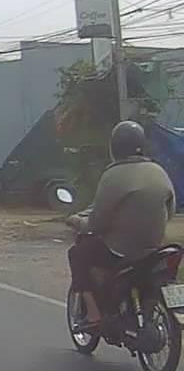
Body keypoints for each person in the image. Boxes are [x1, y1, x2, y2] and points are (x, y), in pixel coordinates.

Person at [66, 120, 176, 326]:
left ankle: (93, 313)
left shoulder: (113, 174)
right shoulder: (158, 170)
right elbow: (170, 209)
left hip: (119, 251)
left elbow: (96, 223)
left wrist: (76, 221)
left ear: (114, 147)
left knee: (77, 253)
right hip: (153, 248)